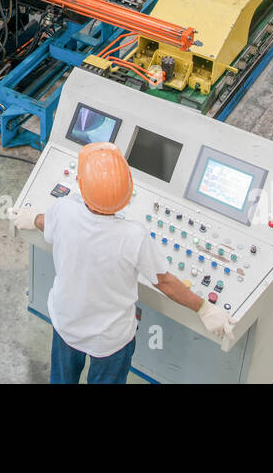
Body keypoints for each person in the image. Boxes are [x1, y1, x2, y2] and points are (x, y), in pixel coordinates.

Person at [12, 140, 235, 384]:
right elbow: (165, 282)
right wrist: (203, 308)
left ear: (82, 185)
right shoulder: (134, 236)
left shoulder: (64, 210)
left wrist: (32, 217)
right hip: (111, 340)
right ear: (127, 190)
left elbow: (47, 222)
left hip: (67, 325)